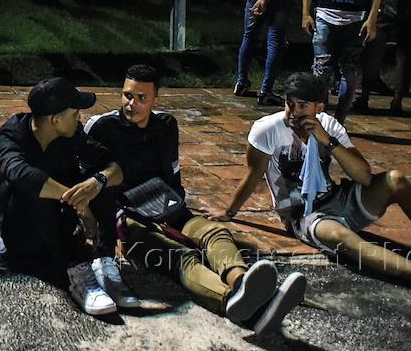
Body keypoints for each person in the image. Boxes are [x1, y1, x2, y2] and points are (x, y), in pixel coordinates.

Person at [212, 72, 411, 314]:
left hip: (337, 198)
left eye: (302, 105)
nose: (293, 112)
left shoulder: (328, 125)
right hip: (303, 214)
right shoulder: (267, 129)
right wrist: (229, 213)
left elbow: (363, 176)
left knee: (396, 180)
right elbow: (253, 175)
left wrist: (326, 140)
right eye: (289, 103)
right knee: (339, 236)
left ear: (319, 107)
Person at [85, 65, 306, 335]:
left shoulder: (166, 125)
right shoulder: (101, 127)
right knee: (181, 257)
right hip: (128, 219)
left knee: (215, 232)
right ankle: (233, 300)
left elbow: (172, 175)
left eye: (142, 98)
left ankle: (241, 283)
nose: (132, 104)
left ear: (155, 98)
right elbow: (87, 185)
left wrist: (173, 209)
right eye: (127, 95)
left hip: (168, 207)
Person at [0, 77, 128, 315]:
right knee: (34, 187)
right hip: (12, 232)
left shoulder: (70, 134)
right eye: (75, 114)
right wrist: (80, 204)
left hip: (53, 223)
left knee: (99, 181)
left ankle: (102, 260)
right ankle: (77, 272)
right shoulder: (11, 135)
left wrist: (97, 182)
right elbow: (21, 174)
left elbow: (116, 168)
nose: (79, 118)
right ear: (56, 120)